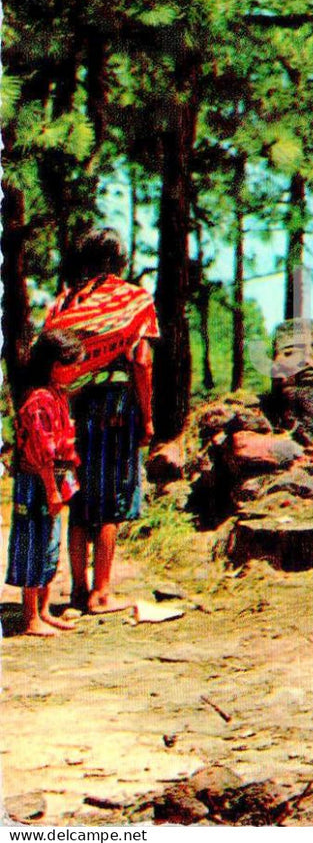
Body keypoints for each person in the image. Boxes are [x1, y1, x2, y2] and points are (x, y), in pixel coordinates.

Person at [43, 228, 158, 614]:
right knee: (113, 502)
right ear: (120, 260)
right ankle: (101, 594)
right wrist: (147, 418)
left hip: (72, 409)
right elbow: (141, 361)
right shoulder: (133, 300)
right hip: (116, 407)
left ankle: (77, 591)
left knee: (79, 499)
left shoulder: (65, 303)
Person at [5, 329, 86, 636]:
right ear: (55, 365)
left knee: (50, 542)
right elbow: (42, 451)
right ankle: (29, 617)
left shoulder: (56, 395)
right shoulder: (39, 400)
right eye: (72, 365)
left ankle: (44, 609)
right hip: (38, 481)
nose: (76, 370)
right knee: (33, 542)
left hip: (53, 479)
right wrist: (52, 490)